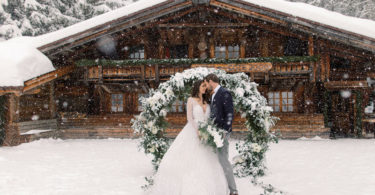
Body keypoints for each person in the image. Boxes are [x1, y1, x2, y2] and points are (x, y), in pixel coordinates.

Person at [149, 80, 229, 195]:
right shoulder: (191, 100)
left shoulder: (207, 101)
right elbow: (189, 118)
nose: (205, 88)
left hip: (207, 132)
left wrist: (210, 131)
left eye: (206, 86)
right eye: (203, 86)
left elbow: (210, 118)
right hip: (193, 130)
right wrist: (197, 131)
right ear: (197, 87)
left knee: (209, 160)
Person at [204, 73, 238, 195]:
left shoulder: (224, 93)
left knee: (223, 160)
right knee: (218, 159)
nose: (206, 86)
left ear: (211, 81)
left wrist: (225, 130)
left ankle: (234, 190)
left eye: (206, 83)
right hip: (214, 132)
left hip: (222, 132)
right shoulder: (213, 94)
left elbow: (229, 113)